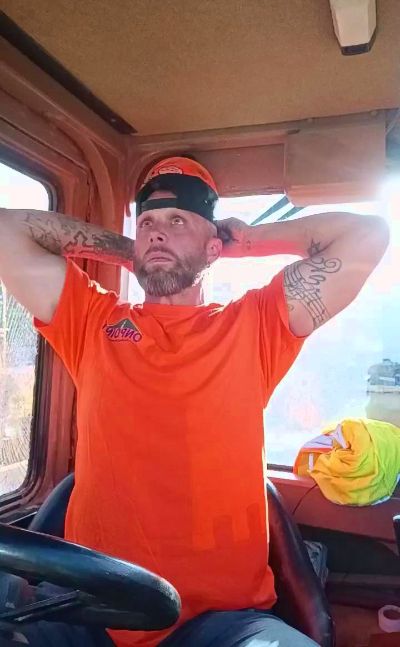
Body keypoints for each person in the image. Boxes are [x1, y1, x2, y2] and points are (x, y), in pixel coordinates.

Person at [0, 157, 389, 647]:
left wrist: (247, 240)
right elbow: (6, 229)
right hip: (88, 607)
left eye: (178, 220)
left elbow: (368, 235)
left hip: (220, 624)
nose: (157, 232)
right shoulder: (91, 319)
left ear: (212, 246)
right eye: (147, 223)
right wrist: (132, 250)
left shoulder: (254, 324)